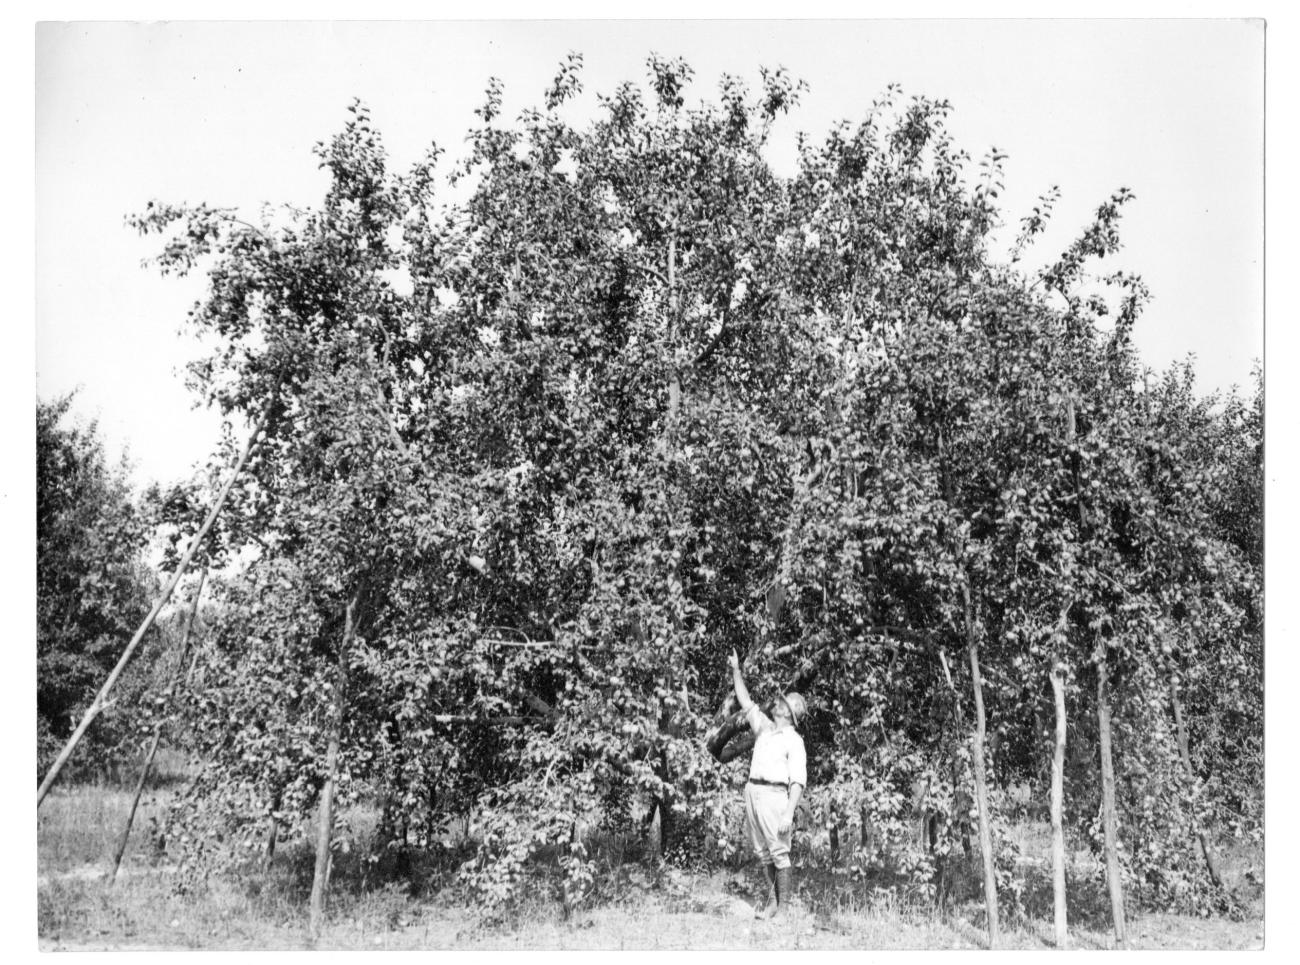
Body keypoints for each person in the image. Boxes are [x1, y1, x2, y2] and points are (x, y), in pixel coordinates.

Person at [726, 649, 807, 920]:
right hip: (753, 791)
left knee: (780, 853)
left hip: (775, 796)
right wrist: (736, 670)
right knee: (763, 853)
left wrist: (788, 813)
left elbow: (797, 781)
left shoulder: (793, 740)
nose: (778, 703)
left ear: (789, 713)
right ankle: (772, 904)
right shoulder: (765, 727)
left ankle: (783, 911)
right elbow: (746, 700)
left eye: (782, 703)